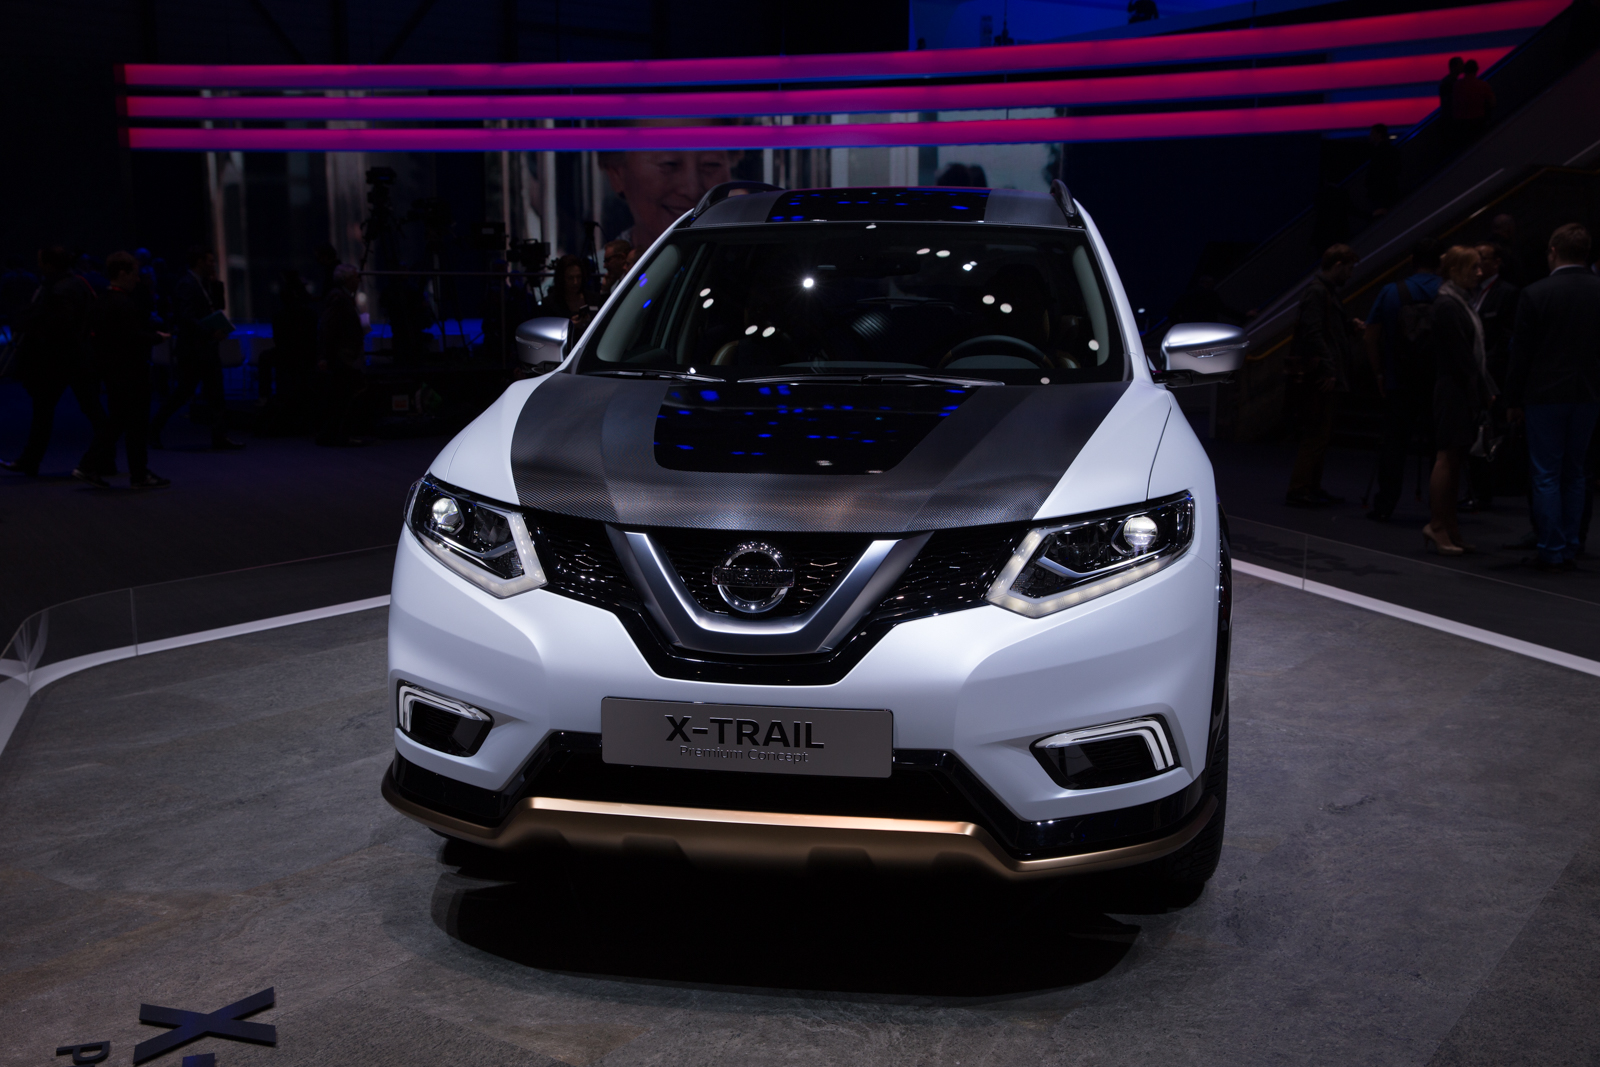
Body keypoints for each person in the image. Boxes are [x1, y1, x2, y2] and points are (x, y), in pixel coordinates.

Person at [1504, 223, 1600, 571]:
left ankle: (1551, 549)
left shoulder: (1536, 293)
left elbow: (1521, 354)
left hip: (1544, 394)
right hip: (1589, 393)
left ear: (1553, 252)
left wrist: (1512, 399)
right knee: (1576, 473)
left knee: (1546, 474)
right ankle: (1571, 545)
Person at [1, 246, 107, 477]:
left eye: (41, 261)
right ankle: (105, 458)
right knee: (91, 409)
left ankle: (30, 461)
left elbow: (58, 325)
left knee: (45, 411)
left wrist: (29, 324)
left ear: (49, 265)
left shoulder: (57, 289)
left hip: (58, 358)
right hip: (77, 356)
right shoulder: (77, 283)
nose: (38, 265)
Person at [1365, 236, 1445, 520]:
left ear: (1412, 261)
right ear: (1440, 263)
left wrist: (1380, 371)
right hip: (1439, 383)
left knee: (1393, 445)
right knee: (1440, 448)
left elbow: (1370, 336)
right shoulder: (1449, 291)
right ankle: (1441, 509)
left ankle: (1385, 505)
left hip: (1399, 381)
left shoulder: (1391, 291)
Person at [1422, 246, 1494, 554]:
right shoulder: (1448, 305)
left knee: (1454, 459)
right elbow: (1462, 356)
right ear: (1454, 271)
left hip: (1460, 388)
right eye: (1473, 267)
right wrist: (1482, 391)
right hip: (1453, 389)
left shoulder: (1458, 302)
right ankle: (1438, 526)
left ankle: (1449, 526)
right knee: (1447, 458)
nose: (1480, 272)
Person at [81, 252, 169, 489]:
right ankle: (137, 474)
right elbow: (132, 337)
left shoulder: (102, 300)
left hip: (111, 371)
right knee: (136, 424)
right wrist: (156, 337)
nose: (137, 279)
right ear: (123, 273)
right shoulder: (124, 303)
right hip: (131, 371)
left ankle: (91, 465)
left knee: (118, 421)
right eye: (134, 274)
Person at [1286, 245, 1363, 508]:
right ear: (1338, 265)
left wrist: (1347, 326)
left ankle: (1309, 486)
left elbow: (1319, 329)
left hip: (1322, 372)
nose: (1351, 274)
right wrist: (1329, 368)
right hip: (1321, 375)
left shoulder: (1323, 291)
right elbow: (1314, 332)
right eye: (1349, 268)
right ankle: (1300, 488)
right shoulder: (1319, 292)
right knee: (1317, 432)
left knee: (1320, 432)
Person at [151, 246, 241, 450]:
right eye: (210, 261)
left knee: (214, 393)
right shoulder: (187, 284)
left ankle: (219, 437)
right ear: (200, 262)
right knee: (184, 392)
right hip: (193, 349)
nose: (213, 264)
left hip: (206, 347)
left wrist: (216, 284)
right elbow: (186, 316)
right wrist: (210, 332)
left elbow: (218, 306)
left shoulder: (203, 283)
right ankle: (154, 428)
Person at [599, 142, 743, 252]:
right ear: (617, 174)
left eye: (711, 164)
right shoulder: (596, 277)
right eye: (669, 164)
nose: (692, 191)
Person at [1463, 242, 1520, 509]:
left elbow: (1507, 337)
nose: (1477, 264)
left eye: (1483, 259)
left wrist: (1485, 367)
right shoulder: (1468, 291)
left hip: (1492, 376)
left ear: (1497, 262)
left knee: (1489, 432)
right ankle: (1474, 488)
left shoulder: (1507, 293)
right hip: (1470, 375)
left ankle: (1486, 490)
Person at [316, 263, 367, 447]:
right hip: (343, 356)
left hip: (345, 355)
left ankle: (336, 435)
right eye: (355, 277)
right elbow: (329, 328)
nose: (359, 280)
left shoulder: (344, 297)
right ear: (346, 279)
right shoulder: (339, 298)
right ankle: (339, 435)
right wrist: (326, 355)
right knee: (343, 397)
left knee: (341, 397)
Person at [539, 254, 597, 327]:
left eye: (578, 277)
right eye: (570, 278)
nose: (575, 282)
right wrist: (567, 326)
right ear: (561, 278)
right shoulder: (549, 305)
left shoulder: (593, 298)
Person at [1453, 58, 1497, 142]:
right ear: (1476, 70)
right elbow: (1493, 103)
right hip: (1478, 121)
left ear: (1464, 70)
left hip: (1461, 123)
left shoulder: (1456, 85)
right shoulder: (1483, 85)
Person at [1365, 124, 1400, 219]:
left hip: (1381, 193)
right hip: (1389, 190)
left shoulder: (1378, 151)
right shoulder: (1392, 149)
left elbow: (1376, 172)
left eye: (1372, 133)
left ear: (1379, 134)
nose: (1370, 136)